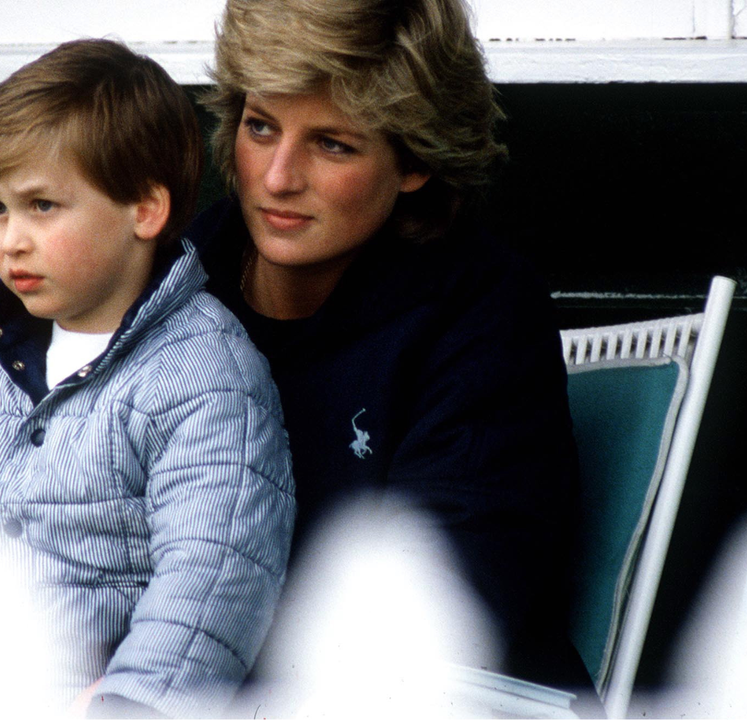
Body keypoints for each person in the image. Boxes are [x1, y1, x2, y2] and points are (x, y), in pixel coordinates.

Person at [0, 38, 296, 719]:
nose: (11, 239)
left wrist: (132, 704)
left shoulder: (206, 378)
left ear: (144, 210)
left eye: (42, 206)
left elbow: (211, 579)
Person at [191, 0, 591, 704]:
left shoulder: (480, 312)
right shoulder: (175, 282)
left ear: (413, 161)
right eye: (261, 127)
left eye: (332, 144)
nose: (278, 177)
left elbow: (440, 600)